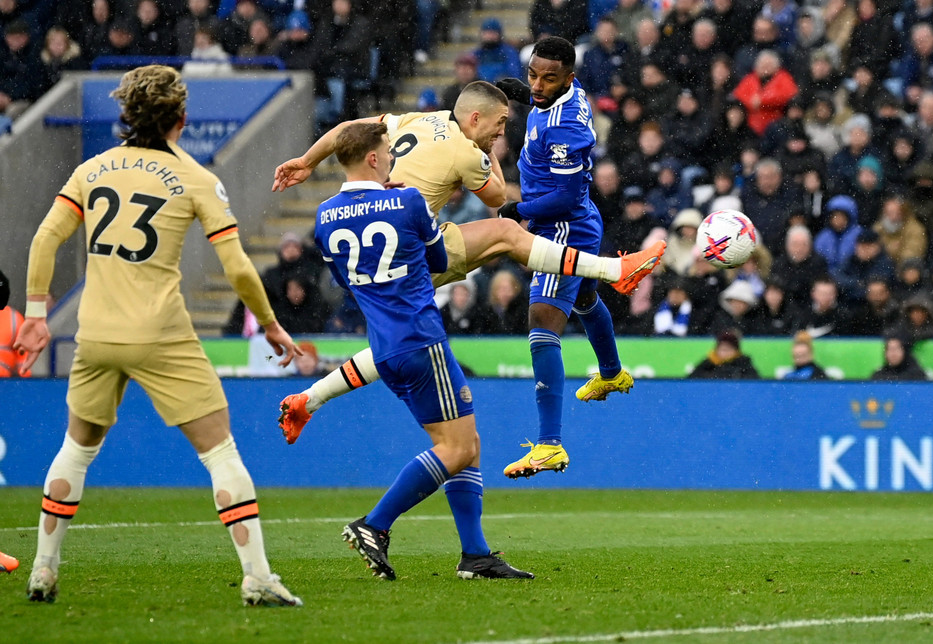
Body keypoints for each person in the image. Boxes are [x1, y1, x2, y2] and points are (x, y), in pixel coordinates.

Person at [12, 65, 302, 607]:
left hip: (95, 333)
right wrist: (268, 322)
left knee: (76, 449)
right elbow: (237, 266)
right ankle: (258, 576)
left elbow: (46, 237)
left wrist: (34, 313)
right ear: (182, 119)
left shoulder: (92, 169)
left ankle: (43, 570)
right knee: (220, 451)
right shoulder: (195, 178)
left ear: (126, 116)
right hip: (160, 332)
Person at [274, 80, 665, 459]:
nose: (501, 133)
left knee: (394, 346)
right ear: (475, 118)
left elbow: (345, 129)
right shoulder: (465, 151)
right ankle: (613, 269)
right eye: (499, 123)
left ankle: (309, 399)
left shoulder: (414, 119)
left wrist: (307, 162)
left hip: (365, 258)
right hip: (409, 251)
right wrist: (487, 154)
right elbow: (498, 198)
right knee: (506, 233)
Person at [305, 121, 533, 581]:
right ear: (373, 158)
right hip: (420, 337)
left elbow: (345, 281)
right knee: (458, 447)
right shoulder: (408, 200)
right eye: (387, 151)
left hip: (384, 344)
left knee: (465, 444)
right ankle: (374, 524)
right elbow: (439, 260)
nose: (392, 157)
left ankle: (475, 554)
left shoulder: (324, 215)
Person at [489, 37, 647, 478]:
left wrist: (517, 210)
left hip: (563, 227)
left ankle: (549, 445)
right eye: (533, 76)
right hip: (575, 221)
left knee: (542, 320)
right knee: (583, 300)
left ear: (569, 78)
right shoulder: (564, 94)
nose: (538, 85)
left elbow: (563, 196)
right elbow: (545, 100)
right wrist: (527, 95)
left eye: (548, 79)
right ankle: (612, 372)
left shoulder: (566, 129)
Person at [688, 329, 761, 379]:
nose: (724, 353)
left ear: (736, 351)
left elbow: (754, 380)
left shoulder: (743, 363)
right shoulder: (709, 363)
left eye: (728, 349)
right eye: (722, 349)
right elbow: (692, 379)